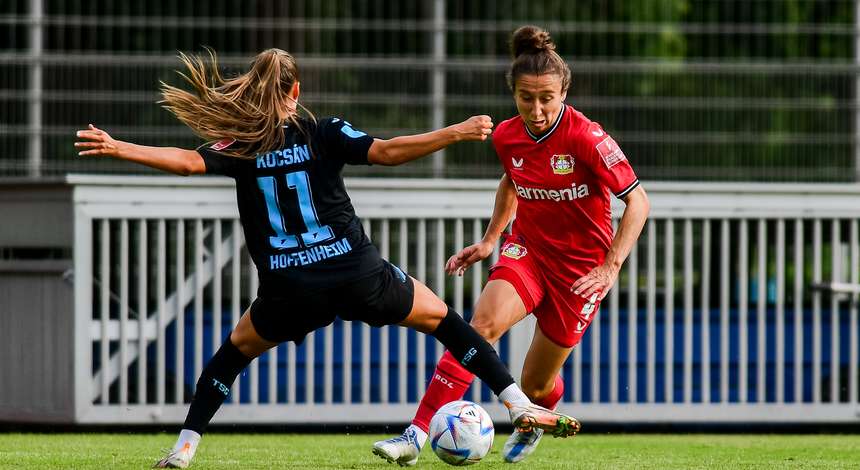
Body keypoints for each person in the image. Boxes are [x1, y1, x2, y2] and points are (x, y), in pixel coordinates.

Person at [74, 48, 579, 469]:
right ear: (296, 92)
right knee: (449, 323)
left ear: (254, 91)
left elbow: (186, 163)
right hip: (356, 272)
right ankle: (516, 402)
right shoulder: (322, 129)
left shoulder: (242, 144)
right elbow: (386, 151)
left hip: (289, 289)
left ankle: (185, 447)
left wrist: (120, 147)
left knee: (233, 353)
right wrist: (454, 131)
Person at [373, 25, 650, 465]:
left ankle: (538, 410)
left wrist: (611, 266)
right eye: (526, 98)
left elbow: (638, 201)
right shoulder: (506, 135)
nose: (536, 110)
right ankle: (416, 433)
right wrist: (490, 239)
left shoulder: (587, 138)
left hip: (580, 272)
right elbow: (513, 179)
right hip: (528, 254)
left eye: (547, 98)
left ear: (564, 93)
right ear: (514, 93)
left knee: (536, 384)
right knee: (479, 327)